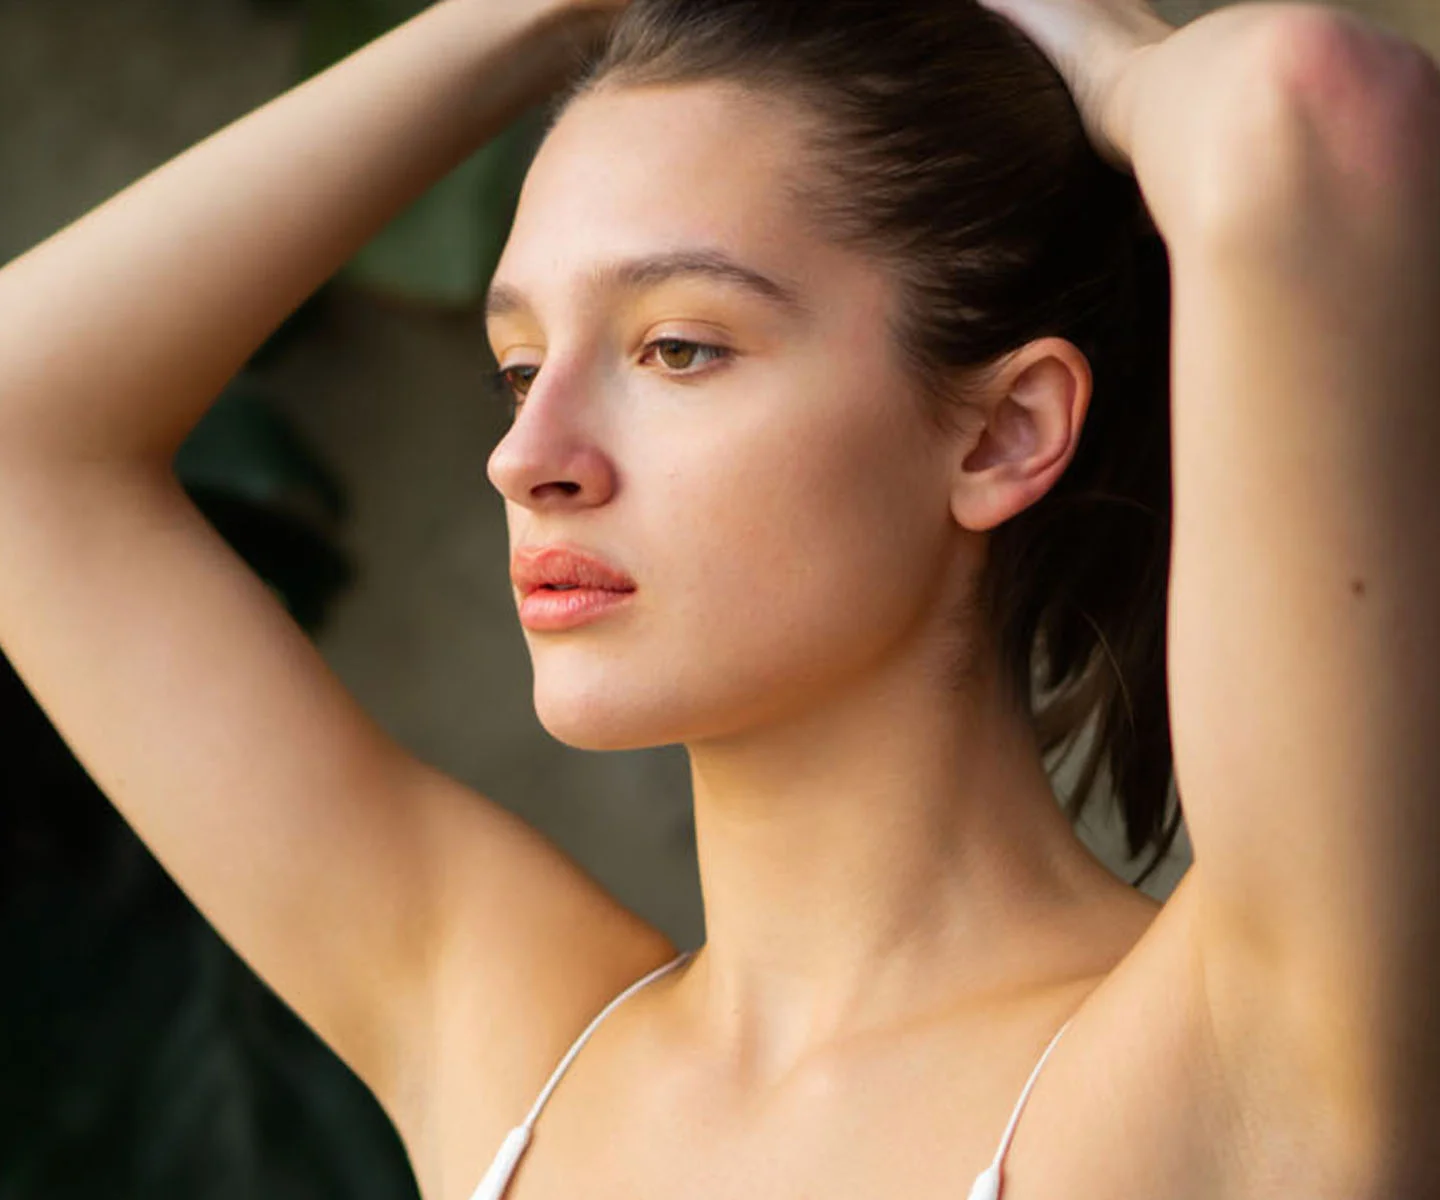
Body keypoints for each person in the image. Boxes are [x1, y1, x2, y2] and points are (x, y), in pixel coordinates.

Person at [1, 0, 1437, 1196]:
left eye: (678, 348)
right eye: (518, 365)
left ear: (1001, 434)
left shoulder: (1239, 1060)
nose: (527, 456)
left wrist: (1092, 49)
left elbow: (1310, 108)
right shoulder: (518, 1051)